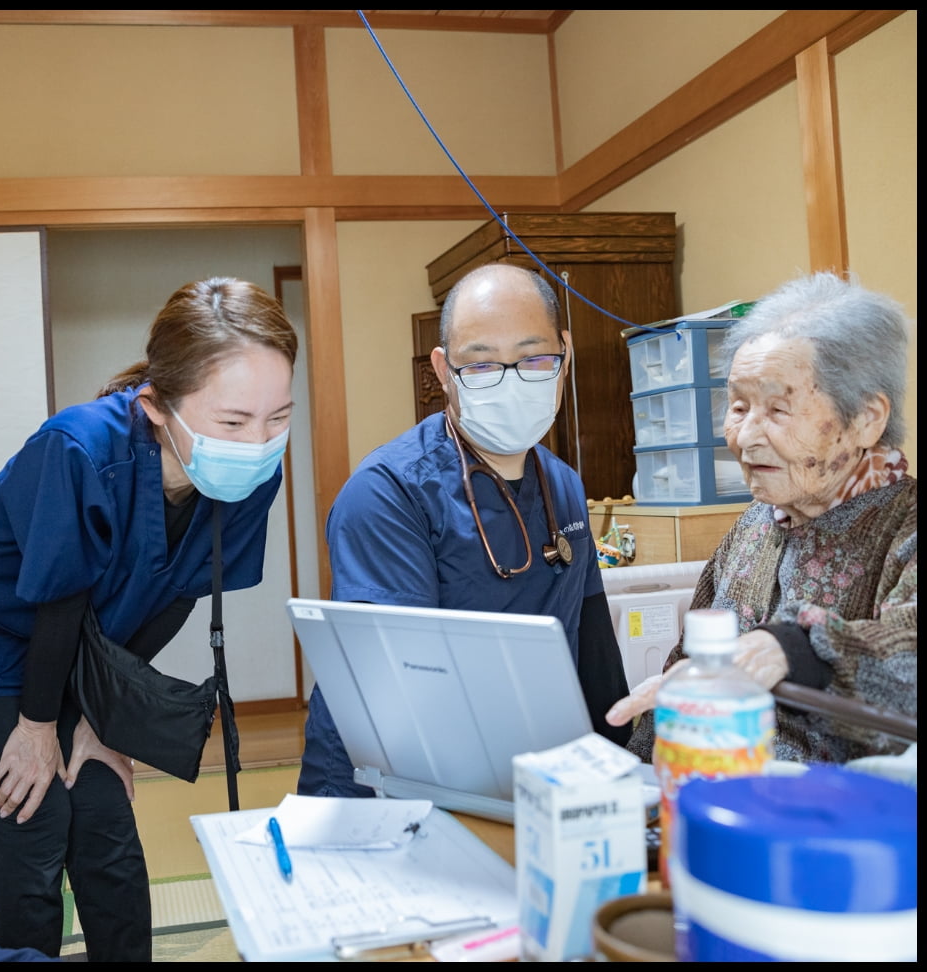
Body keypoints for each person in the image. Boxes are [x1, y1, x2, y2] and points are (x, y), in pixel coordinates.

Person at [0, 277, 299, 962]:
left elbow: (175, 595)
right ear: (155, 406)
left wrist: (97, 723)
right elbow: (56, 595)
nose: (260, 442)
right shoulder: (80, 448)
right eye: (233, 422)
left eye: (279, 417)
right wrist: (36, 728)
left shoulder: (251, 470)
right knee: (33, 818)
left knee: (105, 819)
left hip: (81, 650)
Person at [298, 262, 632, 797]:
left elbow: (593, 650)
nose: (511, 381)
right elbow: (406, 689)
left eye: (533, 358)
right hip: (388, 787)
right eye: (481, 366)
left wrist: (619, 775)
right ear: (443, 368)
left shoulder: (563, 486)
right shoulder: (389, 494)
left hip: (523, 776)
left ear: (564, 355)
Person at [606, 271, 916, 764]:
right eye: (738, 406)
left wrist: (797, 649)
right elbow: (686, 674)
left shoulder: (907, 527)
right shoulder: (753, 526)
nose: (746, 437)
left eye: (776, 409)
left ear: (866, 419)